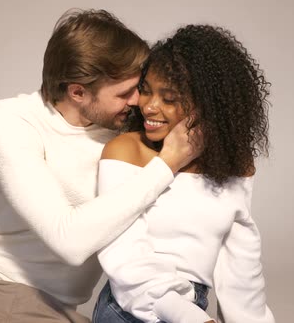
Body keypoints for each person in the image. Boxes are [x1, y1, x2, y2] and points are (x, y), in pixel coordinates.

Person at [0, 9, 201, 323]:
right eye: (126, 92)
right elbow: (69, 241)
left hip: (51, 310)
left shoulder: (131, 137)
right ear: (78, 92)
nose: (138, 103)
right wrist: (167, 164)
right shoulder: (12, 119)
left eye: (138, 89)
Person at [92, 24, 275, 323]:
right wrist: (189, 317)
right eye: (146, 91)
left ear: (208, 102)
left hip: (191, 309)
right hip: (130, 306)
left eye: (169, 98)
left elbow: (241, 268)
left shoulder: (234, 164)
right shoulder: (126, 150)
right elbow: (124, 255)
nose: (149, 107)